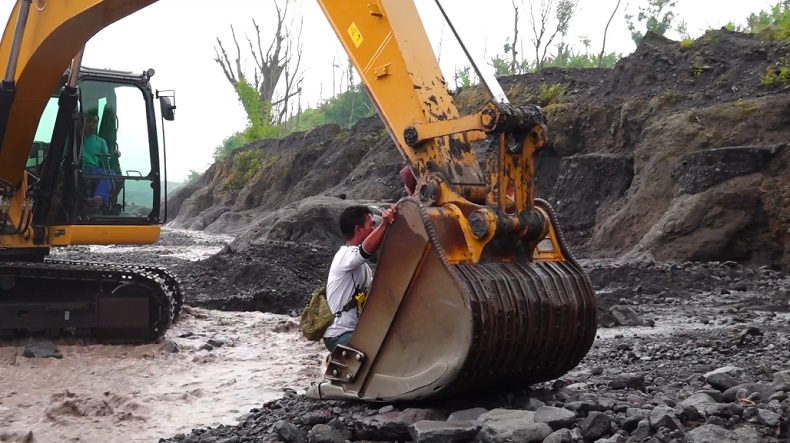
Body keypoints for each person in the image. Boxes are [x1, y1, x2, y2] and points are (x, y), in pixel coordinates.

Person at [322, 204, 396, 352]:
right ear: (358, 229)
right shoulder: (345, 256)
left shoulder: (364, 268)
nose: (374, 229)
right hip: (339, 335)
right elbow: (365, 251)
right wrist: (385, 224)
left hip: (356, 331)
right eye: (372, 225)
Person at [80, 110, 118, 207]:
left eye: (94, 122)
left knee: (110, 174)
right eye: (89, 121)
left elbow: (106, 161)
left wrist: (114, 156)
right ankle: (98, 200)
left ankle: (97, 199)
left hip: (93, 170)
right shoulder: (75, 139)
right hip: (77, 168)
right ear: (83, 122)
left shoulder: (101, 142)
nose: (92, 124)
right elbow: (65, 155)